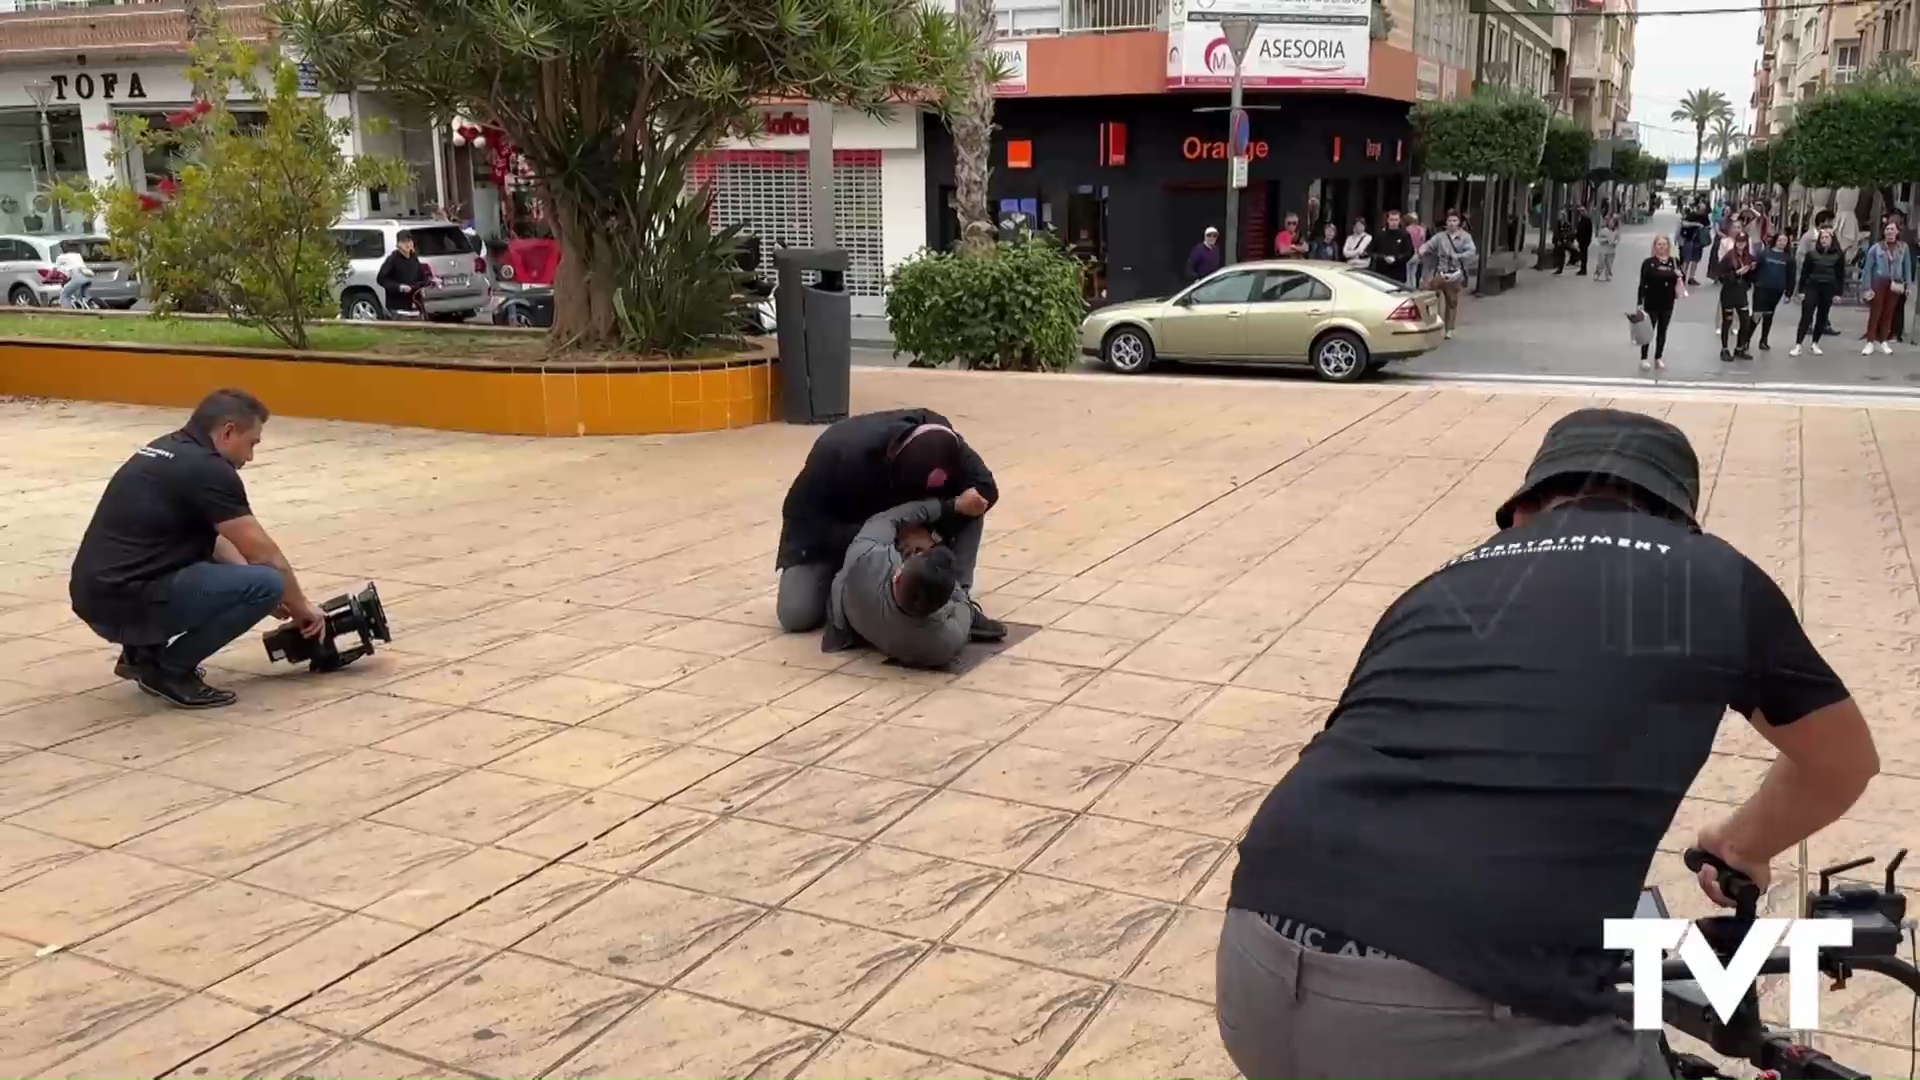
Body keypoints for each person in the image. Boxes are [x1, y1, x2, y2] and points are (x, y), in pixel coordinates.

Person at [1215, 407, 1879, 1080]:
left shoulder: (1440, 584)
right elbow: (1842, 763)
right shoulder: (1707, 573)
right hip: (1457, 1015)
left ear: (1524, 511)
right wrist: (1741, 845)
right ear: (1676, 520)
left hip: (1254, 963)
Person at [68, 390, 326, 708]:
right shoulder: (208, 470)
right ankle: (168, 669)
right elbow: (265, 554)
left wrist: (245, 581)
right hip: (124, 602)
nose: (251, 456)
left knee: (253, 579)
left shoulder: (166, 449)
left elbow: (217, 539)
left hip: (97, 595)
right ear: (228, 431)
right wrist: (300, 607)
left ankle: (140, 652)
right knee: (270, 582)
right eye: (252, 443)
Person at [775, 409, 1006, 643]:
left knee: (973, 503)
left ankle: (958, 602)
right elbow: (806, 520)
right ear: (892, 458)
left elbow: (987, 490)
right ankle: (849, 590)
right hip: (844, 531)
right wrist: (883, 539)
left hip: (908, 530)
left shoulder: (945, 441)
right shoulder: (839, 454)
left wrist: (934, 533)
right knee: (796, 615)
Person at [824, 500, 972, 668]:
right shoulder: (941, 644)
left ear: (897, 576)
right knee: (971, 512)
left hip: (859, 610)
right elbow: (964, 603)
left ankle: (839, 631)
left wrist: (944, 506)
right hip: (907, 632)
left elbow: (886, 519)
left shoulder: (864, 558)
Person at [1419, 210, 1476, 339]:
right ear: (1446, 222)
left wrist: (1458, 256)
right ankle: (1433, 324)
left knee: (1452, 301)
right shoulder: (1440, 236)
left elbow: (1471, 251)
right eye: (1449, 221)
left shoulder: (1465, 237)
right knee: (1429, 292)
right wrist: (1423, 249)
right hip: (1441, 271)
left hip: (1455, 273)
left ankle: (1449, 328)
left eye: (1454, 221)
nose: (1451, 223)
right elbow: (1430, 244)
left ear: (1459, 223)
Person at [1792, 225, 1846, 356]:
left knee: (1822, 316)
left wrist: (1838, 293)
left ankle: (1815, 342)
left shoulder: (1838, 256)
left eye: (1827, 237)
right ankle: (1798, 344)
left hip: (1828, 288)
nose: (1824, 240)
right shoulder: (1812, 254)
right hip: (1812, 286)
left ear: (1832, 239)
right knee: (1807, 315)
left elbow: (1840, 275)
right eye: (1822, 238)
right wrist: (1801, 290)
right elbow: (1805, 272)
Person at [1861, 219, 1912, 355]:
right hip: (1878, 282)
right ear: (1883, 232)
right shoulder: (1876, 248)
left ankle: (1883, 340)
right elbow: (1867, 269)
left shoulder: (1903, 247)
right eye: (1887, 229)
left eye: (1892, 229)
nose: (1889, 232)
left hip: (1895, 284)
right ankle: (1870, 342)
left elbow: (1907, 267)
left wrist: (1908, 285)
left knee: (1888, 313)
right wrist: (1867, 287)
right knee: (1875, 313)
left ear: (1897, 231)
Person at [1634, 234, 1683, 372]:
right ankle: (1644, 358)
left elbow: (1679, 276)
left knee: (1663, 330)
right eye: (1659, 245)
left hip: (1668, 301)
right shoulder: (1649, 262)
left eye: (1664, 244)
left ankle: (1658, 357)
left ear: (1668, 246)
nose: (1662, 247)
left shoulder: (1674, 261)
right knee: (1648, 331)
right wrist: (1639, 302)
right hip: (1651, 300)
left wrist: (1675, 275)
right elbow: (1644, 282)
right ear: (1655, 246)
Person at [1713, 225, 1757, 362]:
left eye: (1743, 243)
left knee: (1745, 321)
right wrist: (1736, 273)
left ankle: (1739, 348)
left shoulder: (1749, 257)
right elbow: (1720, 274)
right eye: (1738, 242)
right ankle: (1724, 349)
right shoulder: (1728, 257)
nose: (1740, 245)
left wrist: (1751, 271)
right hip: (1729, 291)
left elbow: (1752, 277)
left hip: (1741, 292)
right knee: (1728, 320)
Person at [1750, 230, 1796, 351]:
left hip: (1777, 290)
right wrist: (1754, 282)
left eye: (1784, 241)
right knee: (1757, 314)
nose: (1782, 243)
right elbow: (1755, 269)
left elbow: (1791, 276)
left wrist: (1788, 293)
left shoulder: (1789, 258)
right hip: (1761, 287)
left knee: (1769, 315)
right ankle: (1746, 340)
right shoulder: (1765, 253)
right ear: (1775, 240)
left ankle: (1764, 340)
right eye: (1780, 240)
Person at [376, 231, 431, 316]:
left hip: (414, 304)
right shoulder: (392, 259)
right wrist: (399, 287)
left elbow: (420, 276)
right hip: (397, 305)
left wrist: (424, 285)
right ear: (398, 244)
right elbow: (381, 279)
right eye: (404, 242)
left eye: (409, 241)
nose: (407, 244)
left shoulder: (414, 258)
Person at [1370, 209, 1413, 282]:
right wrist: (1383, 258)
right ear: (1387, 220)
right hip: (1381, 272)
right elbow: (1369, 251)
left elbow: (1409, 252)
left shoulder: (1404, 235)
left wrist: (1396, 258)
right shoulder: (1380, 235)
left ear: (1399, 221)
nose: (1394, 222)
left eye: (1396, 220)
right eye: (1392, 219)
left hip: (1398, 273)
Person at [1592, 214, 1621, 283]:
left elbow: (1618, 239)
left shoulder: (1616, 231)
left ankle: (1608, 274)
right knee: (1601, 262)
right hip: (1603, 249)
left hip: (1611, 250)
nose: (1611, 224)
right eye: (1610, 222)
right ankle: (1597, 273)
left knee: (1609, 263)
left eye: (1613, 222)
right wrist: (1606, 240)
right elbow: (1599, 239)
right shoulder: (1604, 231)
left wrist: (1615, 242)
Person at [1403, 212, 1427, 287]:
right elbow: (1423, 241)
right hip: (1418, 253)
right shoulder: (1422, 229)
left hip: (1410, 253)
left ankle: (1408, 287)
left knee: (1407, 271)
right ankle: (1413, 287)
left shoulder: (1407, 230)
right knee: (1413, 272)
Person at [1553, 209, 1576, 275]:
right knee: (1557, 254)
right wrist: (1555, 240)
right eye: (1560, 215)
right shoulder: (1558, 223)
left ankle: (1560, 268)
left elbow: (1568, 233)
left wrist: (1564, 239)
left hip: (1563, 242)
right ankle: (1558, 267)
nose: (1560, 216)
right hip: (1557, 241)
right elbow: (1556, 232)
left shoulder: (1567, 224)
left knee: (1561, 255)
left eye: (1561, 215)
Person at [1574, 205, 1594, 276]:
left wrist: (1588, 241)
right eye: (1580, 211)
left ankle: (1584, 269)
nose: (1581, 213)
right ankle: (1582, 268)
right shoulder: (1581, 220)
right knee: (1582, 254)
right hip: (1580, 240)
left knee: (1584, 255)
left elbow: (1589, 232)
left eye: (1582, 211)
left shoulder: (1587, 221)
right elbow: (1579, 229)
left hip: (1585, 241)